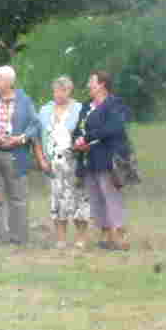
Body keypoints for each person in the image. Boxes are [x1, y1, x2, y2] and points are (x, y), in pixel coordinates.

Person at [72, 70, 135, 251]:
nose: (88, 85)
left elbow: (113, 128)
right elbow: (79, 128)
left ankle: (121, 237)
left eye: (91, 81)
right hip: (89, 159)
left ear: (102, 84)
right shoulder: (87, 106)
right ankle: (106, 236)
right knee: (96, 198)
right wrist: (78, 139)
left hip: (108, 159)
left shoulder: (114, 104)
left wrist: (87, 138)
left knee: (111, 196)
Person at [0, 64, 38, 246]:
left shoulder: (24, 100)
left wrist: (21, 139)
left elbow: (35, 124)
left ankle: (18, 236)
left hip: (16, 154)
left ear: (8, 82)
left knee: (18, 197)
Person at [34, 75, 91, 248]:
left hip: (74, 160)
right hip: (53, 161)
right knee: (57, 199)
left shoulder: (80, 109)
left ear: (69, 90)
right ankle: (61, 239)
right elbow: (36, 137)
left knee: (80, 198)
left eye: (63, 90)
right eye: (56, 90)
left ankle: (81, 238)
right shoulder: (44, 110)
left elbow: (87, 133)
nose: (59, 94)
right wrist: (41, 159)